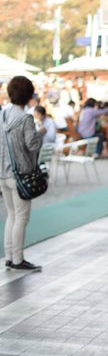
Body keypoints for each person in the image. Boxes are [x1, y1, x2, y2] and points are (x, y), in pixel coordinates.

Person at [0, 76, 44, 272]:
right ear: (28, 95)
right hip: (20, 175)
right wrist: (40, 132)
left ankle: (9, 256)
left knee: (11, 214)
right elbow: (32, 144)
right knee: (21, 217)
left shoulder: (3, 115)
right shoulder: (25, 118)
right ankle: (18, 259)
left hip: (3, 172)